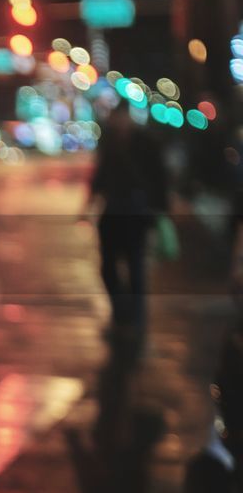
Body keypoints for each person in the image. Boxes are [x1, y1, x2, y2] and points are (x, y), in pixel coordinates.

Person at [82, 104, 169, 333]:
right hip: (112, 211)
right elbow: (100, 176)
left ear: (128, 118)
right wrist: (88, 204)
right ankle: (122, 312)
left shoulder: (146, 143)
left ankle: (136, 320)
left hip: (136, 213)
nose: (118, 122)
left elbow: (159, 177)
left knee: (136, 267)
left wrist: (159, 210)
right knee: (107, 267)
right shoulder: (110, 143)